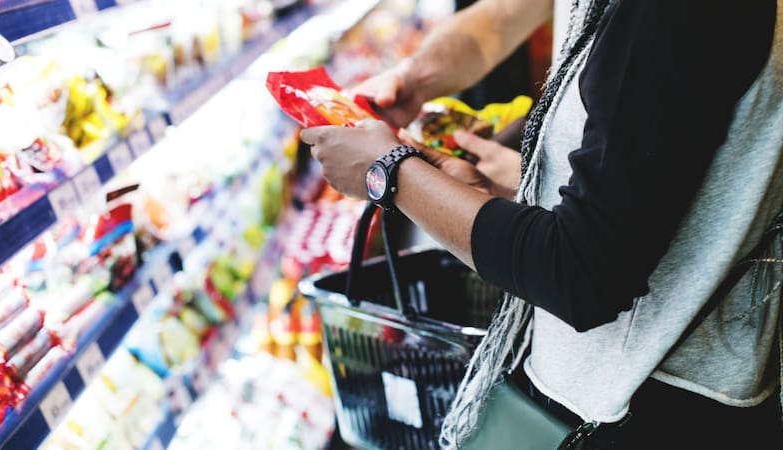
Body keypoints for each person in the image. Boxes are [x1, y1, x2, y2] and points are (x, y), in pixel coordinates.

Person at [300, 0, 783, 448]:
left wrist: (390, 174)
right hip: (678, 392)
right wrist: (496, 192)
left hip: (641, 409)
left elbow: (581, 273)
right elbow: (646, 200)